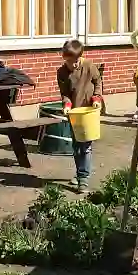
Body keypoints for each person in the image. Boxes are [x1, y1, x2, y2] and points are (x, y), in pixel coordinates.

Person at [57, 39, 103, 193]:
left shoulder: (89, 66)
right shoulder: (62, 72)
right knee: (77, 146)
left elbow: (98, 81)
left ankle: (83, 178)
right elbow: (65, 93)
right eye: (69, 62)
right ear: (64, 57)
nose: (73, 65)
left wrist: (97, 98)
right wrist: (67, 104)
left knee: (86, 147)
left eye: (75, 61)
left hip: (89, 111)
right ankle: (79, 173)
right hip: (75, 113)